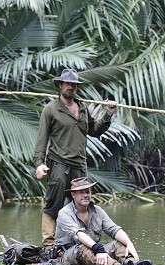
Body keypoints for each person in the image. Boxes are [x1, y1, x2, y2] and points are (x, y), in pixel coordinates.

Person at [34, 69, 117, 249]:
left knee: (81, 204)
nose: (70, 87)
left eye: (74, 84)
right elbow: (42, 138)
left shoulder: (84, 108)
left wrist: (108, 114)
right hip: (58, 163)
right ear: (60, 85)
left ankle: (79, 243)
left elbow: (95, 131)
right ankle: (49, 245)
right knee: (53, 203)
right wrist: (39, 164)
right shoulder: (51, 109)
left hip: (79, 164)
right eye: (67, 83)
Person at [53, 177, 152, 265]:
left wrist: (129, 243)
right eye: (81, 192)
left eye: (87, 192)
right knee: (82, 248)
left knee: (119, 243)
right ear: (73, 195)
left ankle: (133, 264)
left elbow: (114, 229)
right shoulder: (64, 213)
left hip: (94, 252)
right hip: (68, 256)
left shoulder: (97, 211)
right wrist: (98, 250)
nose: (85, 195)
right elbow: (79, 235)